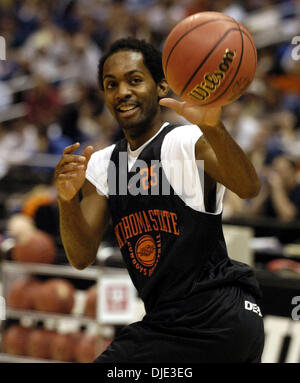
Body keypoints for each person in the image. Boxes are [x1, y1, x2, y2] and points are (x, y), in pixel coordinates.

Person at [54, 37, 265, 363]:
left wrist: (214, 127)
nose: (122, 91)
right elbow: (81, 257)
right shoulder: (101, 165)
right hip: (168, 321)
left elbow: (249, 187)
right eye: (111, 84)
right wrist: (67, 200)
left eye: (134, 80)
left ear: (161, 86)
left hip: (215, 314)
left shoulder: (186, 140)